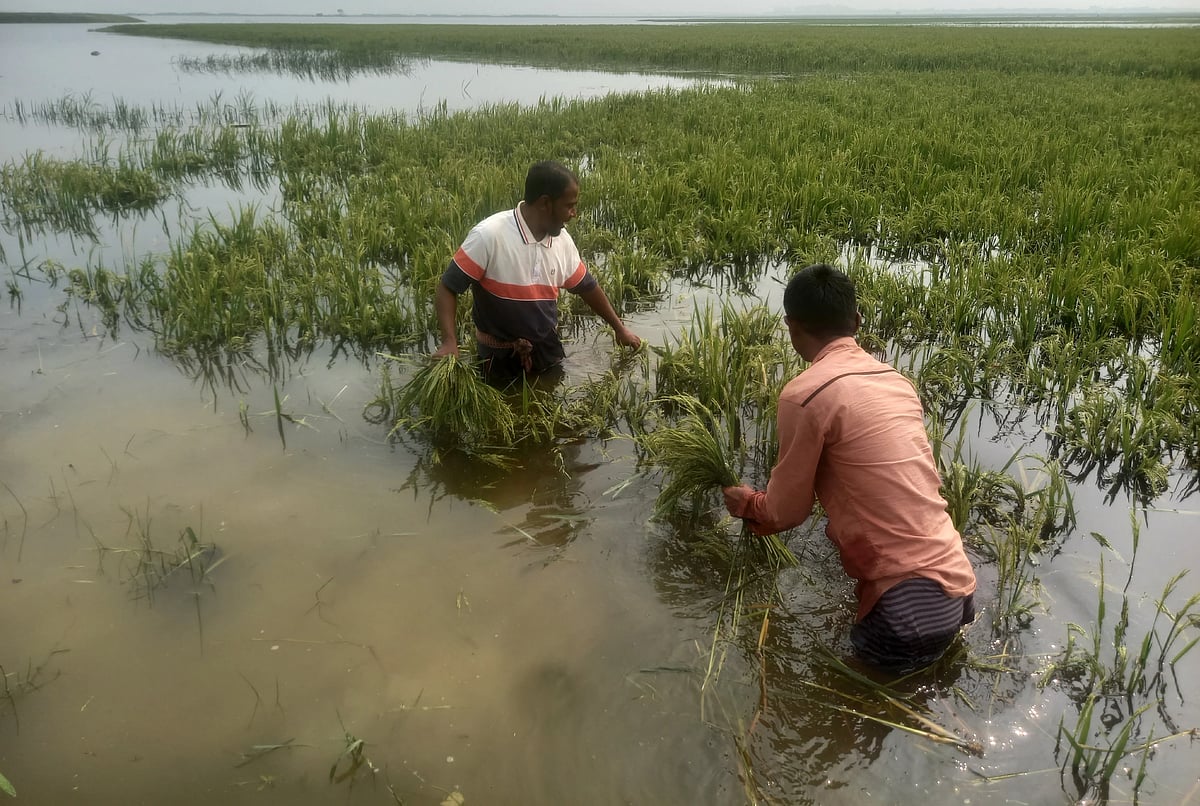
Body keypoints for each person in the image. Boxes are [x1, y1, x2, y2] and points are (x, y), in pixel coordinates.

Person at [722, 263, 976, 672]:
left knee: (847, 719)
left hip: (905, 612)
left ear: (790, 326)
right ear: (857, 321)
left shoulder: (804, 395)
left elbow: (786, 513)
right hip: (958, 585)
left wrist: (746, 503)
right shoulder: (897, 382)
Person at [432, 160, 640, 380]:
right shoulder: (489, 236)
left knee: (551, 402)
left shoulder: (562, 242)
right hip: (498, 358)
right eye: (569, 205)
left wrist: (620, 328)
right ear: (545, 203)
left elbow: (587, 287)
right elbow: (448, 287)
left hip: (546, 351)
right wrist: (449, 341)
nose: (573, 213)